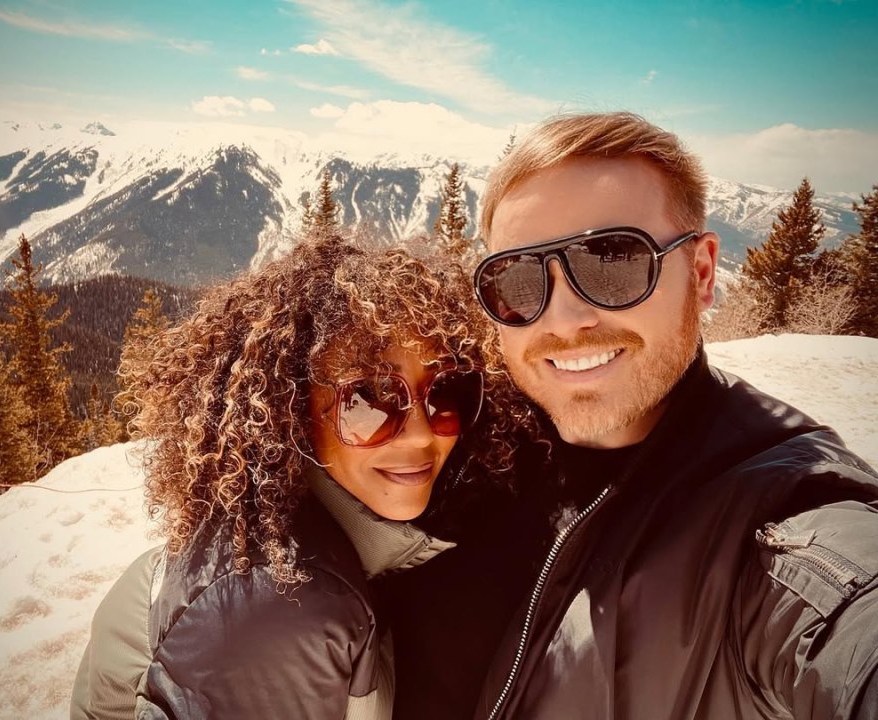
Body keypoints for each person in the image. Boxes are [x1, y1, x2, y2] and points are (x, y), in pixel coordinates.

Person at [379, 112, 878, 719]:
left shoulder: (781, 522)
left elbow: (844, 609)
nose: (562, 321)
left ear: (700, 272)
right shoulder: (456, 437)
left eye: (612, 262)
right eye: (517, 279)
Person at [69, 232, 543, 719]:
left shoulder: (280, 521)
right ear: (290, 411)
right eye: (370, 399)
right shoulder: (283, 605)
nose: (422, 435)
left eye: (447, 392)